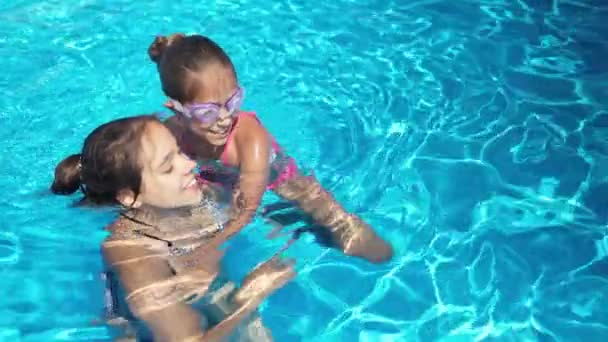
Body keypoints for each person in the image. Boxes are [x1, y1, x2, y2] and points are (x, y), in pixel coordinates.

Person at [147, 33, 393, 264]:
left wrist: (203, 252)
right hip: (212, 179)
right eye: (207, 112)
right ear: (175, 109)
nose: (224, 118)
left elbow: (246, 211)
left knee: (345, 230)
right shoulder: (165, 136)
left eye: (233, 102)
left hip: (275, 176)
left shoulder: (250, 138)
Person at [51, 114, 294, 341]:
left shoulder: (196, 195)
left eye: (179, 151)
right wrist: (250, 297)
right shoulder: (135, 256)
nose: (188, 164)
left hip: (206, 299)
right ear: (129, 197)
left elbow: (244, 209)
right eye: (168, 166)